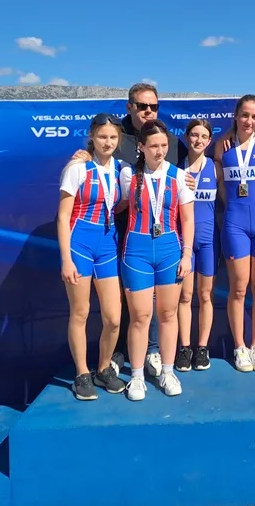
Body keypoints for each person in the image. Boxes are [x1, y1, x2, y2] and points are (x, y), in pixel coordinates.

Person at [69, 83, 196, 380]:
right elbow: (101, 168)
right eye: (142, 106)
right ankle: (119, 358)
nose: (148, 111)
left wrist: (188, 181)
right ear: (130, 107)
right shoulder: (116, 137)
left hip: (161, 238)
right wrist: (85, 157)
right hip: (121, 236)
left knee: (160, 307)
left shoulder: (174, 145)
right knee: (127, 308)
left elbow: (183, 177)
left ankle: (154, 352)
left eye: (154, 106)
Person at [118, 119, 195, 400]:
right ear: (141, 147)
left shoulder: (179, 176)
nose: (160, 151)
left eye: (163, 145)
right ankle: (137, 377)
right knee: (140, 317)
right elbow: (113, 195)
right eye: (153, 146)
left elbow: (188, 219)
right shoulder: (128, 175)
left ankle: (168, 371)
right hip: (136, 252)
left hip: (169, 251)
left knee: (168, 314)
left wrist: (187, 254)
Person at [56, 113, 127, 400]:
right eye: (102, 137)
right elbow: (63, 217)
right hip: (80, 245)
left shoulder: (122, 169)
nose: (107, 142)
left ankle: (103, 368)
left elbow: (125, 200)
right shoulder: (78, 168)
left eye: (112, 137)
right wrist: (66, 259)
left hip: (108, 244)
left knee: (113, 318)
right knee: (81, 312)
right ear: (92, 137)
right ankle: (82, 374)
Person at [213, 95, 255, 373]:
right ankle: (240, 346)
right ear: (236, 115)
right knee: (239, 287)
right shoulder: (223, 145)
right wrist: (231, 207)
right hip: (236, 224)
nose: (249, 121)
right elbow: (218, 182)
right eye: (245, 115)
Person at [176, 119, 218, 372]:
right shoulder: (175, 168)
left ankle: (202, 348)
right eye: (194, 135)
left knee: (205, 295)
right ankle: (185, 348)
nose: (198, 140)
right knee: (185, 296)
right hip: (184, 243)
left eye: (203, 136)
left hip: (208, 241)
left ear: (209, 141)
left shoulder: (215, 167)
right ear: (186, 137)